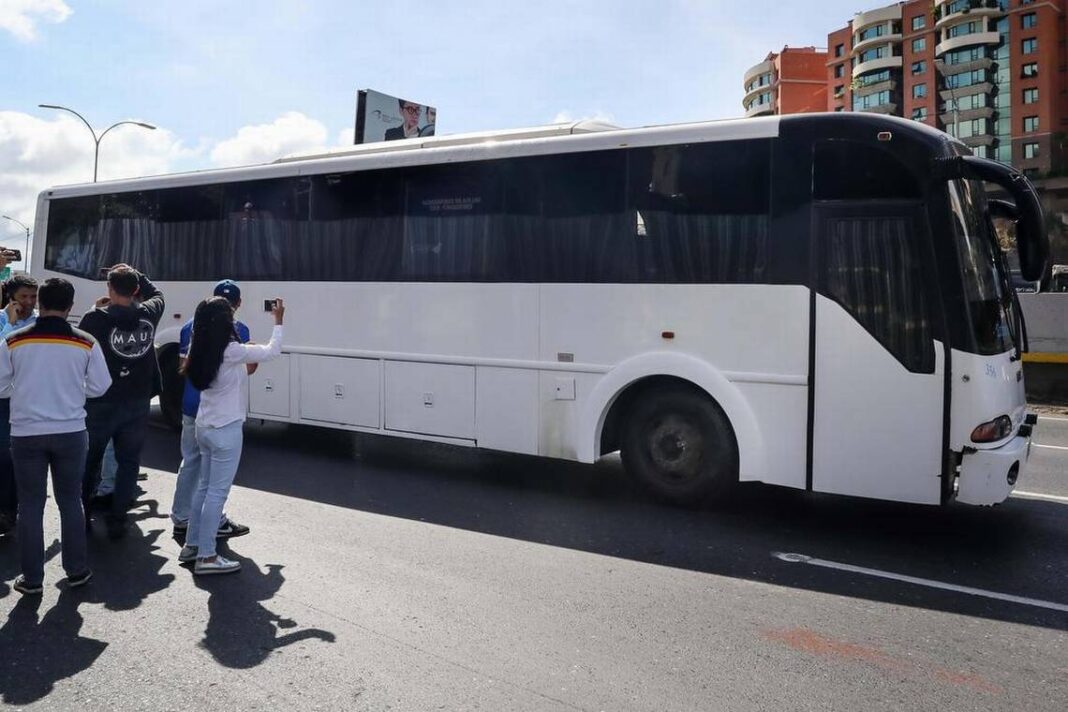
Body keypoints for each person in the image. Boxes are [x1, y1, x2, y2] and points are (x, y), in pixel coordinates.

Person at [0, 278, 112, 595]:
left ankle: (33, 579)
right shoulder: (86, 342)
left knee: (30, 505)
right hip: (71, 431)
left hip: (26, 433)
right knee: (71, 502)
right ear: (71, 307)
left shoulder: (14, 341)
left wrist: (20, 390)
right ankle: (76, 571)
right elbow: (101, 386)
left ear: (39, 303)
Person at [181, 297, 284, 575]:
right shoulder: (231, 350)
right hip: (226, 429)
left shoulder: (198, 347)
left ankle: (191, 545)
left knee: (203, 488)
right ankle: (207, 556)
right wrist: (279, 320)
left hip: (204, 426)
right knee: (217, 493)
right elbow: (273, 351)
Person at [78, 264, 165, 539]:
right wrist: (138, 274)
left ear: (110, 289)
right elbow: (158, 294)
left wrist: (96, 307)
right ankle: (118, 517)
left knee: (90, 462)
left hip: (102, 401)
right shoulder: (149, 314)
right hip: (137, 401)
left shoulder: (95, 319)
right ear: (136, 290)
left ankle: (83, 516)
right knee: (129, 462)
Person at [171, 280, 253, 541]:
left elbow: (183, 364)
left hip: (191, 406)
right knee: (213, 480)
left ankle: (181, 516)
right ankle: (212, 526)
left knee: (190, 463)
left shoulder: (188, 327)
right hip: (218, 412)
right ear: (237, 305)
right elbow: (249, 367)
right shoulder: (239, 330)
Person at [0, 272, 37, 536]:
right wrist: (11, 325)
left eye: (33, 297)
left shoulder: (38, 321)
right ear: (11, 298)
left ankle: (13, 510)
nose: (29, 302)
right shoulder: (2, 320)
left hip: (29, 400)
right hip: (3, 400)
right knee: (5, 457)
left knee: (20, 459)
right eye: (24, 297)